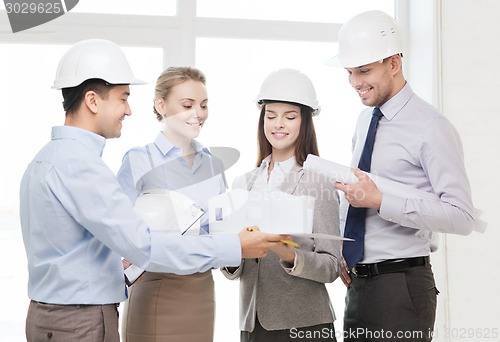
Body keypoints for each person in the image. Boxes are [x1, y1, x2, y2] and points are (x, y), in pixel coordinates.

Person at [19, 39, 283, 342]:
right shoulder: (82, 165)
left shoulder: (47, 157)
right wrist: (235, 246)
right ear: (92, 101)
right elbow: (141, 246)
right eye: (123, 98)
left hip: (65, 313)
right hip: (83, 317)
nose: (129, 110)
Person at [327, 11, 475, 341]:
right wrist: (342, 248)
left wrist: (381, 200)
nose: (354, 82)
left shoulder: (430, 126)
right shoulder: (365, 122)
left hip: (401, 285)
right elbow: (358, 193)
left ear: (394, 63)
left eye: (364, 71)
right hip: (359, 285)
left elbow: (462, 216)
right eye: (350, 72)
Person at [222, 68, 341, 341]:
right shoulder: (243, 184)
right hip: (252, 323)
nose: (278, 124)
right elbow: (232, 267)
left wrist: (288, 254)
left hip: (304, 324)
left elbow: (332, 265)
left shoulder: (318, 182)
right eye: (271, 116)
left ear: (305, 122)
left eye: (289, 117)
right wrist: (232, 250)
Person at [116, 66, 228, 341]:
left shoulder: (213, 164)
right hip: (154, 287)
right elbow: (118, 230)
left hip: (202, 291)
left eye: (203, 105)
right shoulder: (140, 160)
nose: (198, 113)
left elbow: (222, 228)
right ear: (161, 105)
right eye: (187, 104)